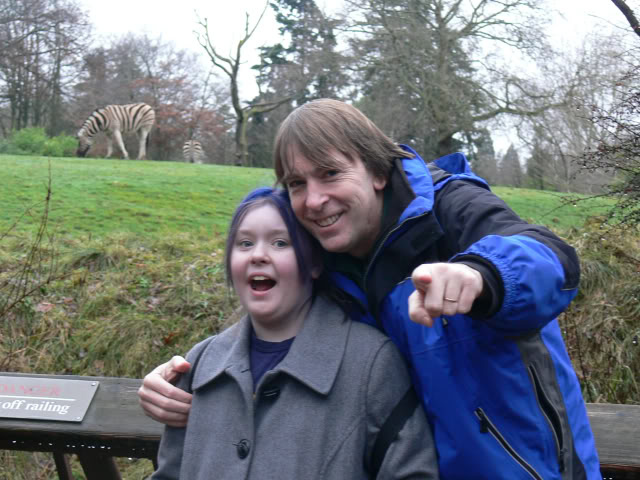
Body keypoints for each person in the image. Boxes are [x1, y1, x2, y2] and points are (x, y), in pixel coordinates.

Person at [140, 99, 601, 479]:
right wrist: (187, 373)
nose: (314, 199)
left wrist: (483, 275)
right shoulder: (324, 258)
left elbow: (553, 260)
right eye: (297, 183)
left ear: (378, 172)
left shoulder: (449, 208)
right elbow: (273, 323)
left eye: (330, 174)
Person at [150, 187, 439, 479]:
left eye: (280, 243)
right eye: (245, 243)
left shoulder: (371, 363)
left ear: (314, 263)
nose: (258, 255)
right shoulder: (199, 363)